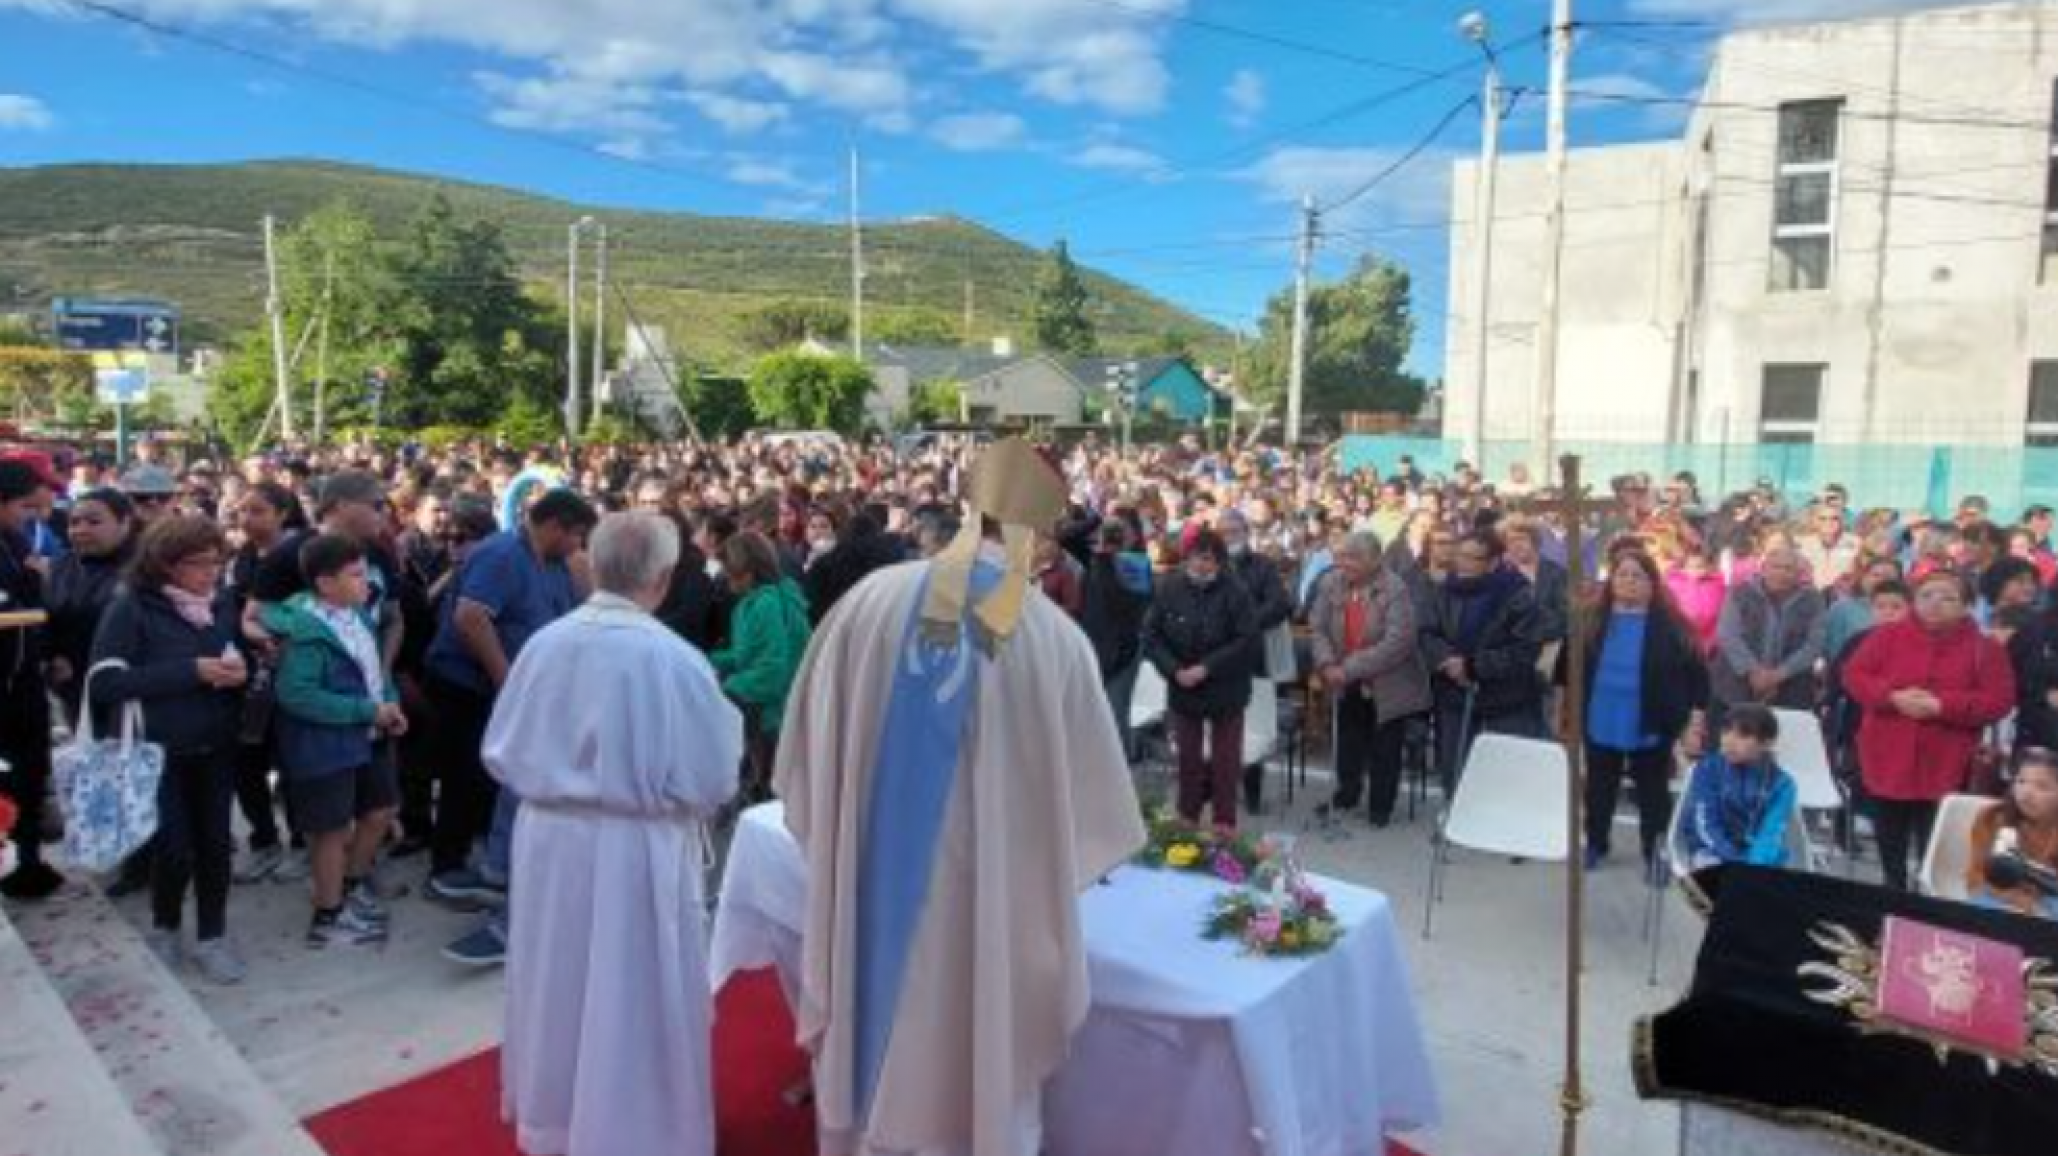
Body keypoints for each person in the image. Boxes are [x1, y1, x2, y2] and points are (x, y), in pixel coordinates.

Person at [775, 440, 1144, 1156]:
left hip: (870, 891)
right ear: (1034, 534)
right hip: (986, 914)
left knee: (869, 1049)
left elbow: (803, 752)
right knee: (979, 1053)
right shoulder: (1054, 639)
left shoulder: (866, 604)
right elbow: (1093, 810)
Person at [487, 511, 743, 1156]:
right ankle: (638, 1128)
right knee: (632, 986)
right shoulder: (673, 659)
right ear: (662, 577)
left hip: (549, 839)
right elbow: (712, 776)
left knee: (561, 981)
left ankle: (561, 1122)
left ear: (593, 566)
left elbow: (502, 746)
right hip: (634, 847)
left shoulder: (545, 644)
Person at [89, 516, 250, 981]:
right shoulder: (132, 607)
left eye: (217, 563)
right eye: (198, 564)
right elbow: (105, 682)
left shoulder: (221, 602)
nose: (210, 574)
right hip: (156, 751)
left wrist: (242, 671)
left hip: (216, 744)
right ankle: (165, 927)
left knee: (216, 845)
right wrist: (191, 671)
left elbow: (231, 654)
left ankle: (212, 935)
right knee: (174, 849)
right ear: (163, 565)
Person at [421, 489, 596, 908]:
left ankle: (482, 857)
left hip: (511, 684)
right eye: (576, 536)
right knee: (466, 773)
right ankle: (446, 868)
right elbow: (471, 617)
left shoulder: (553, 563)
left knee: (491, 775)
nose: (579, 546)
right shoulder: (501, 554)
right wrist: (507, 680)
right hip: (466, 681)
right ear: (553, 526)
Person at [265, 534, 409, 948]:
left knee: (380, 810)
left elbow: (372, 668)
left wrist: (389, 703)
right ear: (325, 584)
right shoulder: (307, 631)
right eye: (356, 574)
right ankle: (327, 916)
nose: (367, 582)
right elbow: (297, 695)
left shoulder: (357, 613)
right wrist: (366, 711)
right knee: (330, 830)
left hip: (369, 735)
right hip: (324, 746)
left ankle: (350, 885)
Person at [1844, 569, 2016, 891]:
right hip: (1887, 753)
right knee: (1889, 829)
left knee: (1936, 838)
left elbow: (1999, 700)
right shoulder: (1886, 636)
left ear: (1967, 605)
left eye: (1948, 597)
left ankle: (1929, 895)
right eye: (1926, 596)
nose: (1935, 603)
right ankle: (1892, 889)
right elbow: (1854, 675)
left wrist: (1942, 705)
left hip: (1948, 759)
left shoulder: (1985, 648)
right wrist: (1891, 697)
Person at [1576, 550, 1710, 869]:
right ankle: (1596, 844)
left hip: (1652, 719)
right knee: (1598, 787)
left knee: (1653, 792)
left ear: (1653, 583)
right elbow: (1566, 670)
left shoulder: (1675, 627)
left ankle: (1654, 851)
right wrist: (1563, 713)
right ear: (1611, 581)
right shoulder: (1589, 621)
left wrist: (1694, 725)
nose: (1629, 581)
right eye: (1622, 575)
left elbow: (1698, 681)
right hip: (1601, 716)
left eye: (1638, 576)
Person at [1307, 531, 1430, 828]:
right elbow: (1317, 627)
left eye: (1355, 558)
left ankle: (1380, 806)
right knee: (1348, 740)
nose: (1345, 564)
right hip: (1342, 676)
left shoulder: (1394, 588)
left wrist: (1348, 669)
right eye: (1343, 557)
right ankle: (1347, 793)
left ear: (1376, 559)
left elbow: (1398, 641)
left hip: (1387, 681)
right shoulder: (1330, 582)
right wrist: (1325, 662)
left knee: (1385, 746)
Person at [1142, 529, 1259, 830]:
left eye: (1207, 558)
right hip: (1183, 687)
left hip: (1226, 688)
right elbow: (1151, 636)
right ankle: (1187, 819)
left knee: (1225, 762)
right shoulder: (1170, 586)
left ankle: (1224, 823)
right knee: (1188, 760)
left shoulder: (1236, 591)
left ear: (1219, 561)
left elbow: (1246, 640)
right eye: (1195, 557)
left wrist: (1206, 668)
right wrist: (1173, 670)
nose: (1200, 564)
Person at [1419, 529, 1546, 794]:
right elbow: (1427, 632)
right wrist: (1448, 660)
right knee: (1455, 767)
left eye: (1472, 558)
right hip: (1453, 693)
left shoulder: (1517, 595)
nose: (1462, 563)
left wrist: (1472, 666)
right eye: (1460, 556)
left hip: (1505, 701)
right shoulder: (1444, 591)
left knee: (1499, 777)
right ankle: (1454, 815)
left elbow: (1524, 650)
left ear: (1493, 563)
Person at [708, 530, 811, 801]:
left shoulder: (766, 604)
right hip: (768, 711)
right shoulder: (764, 599)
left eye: (733, 575)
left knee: (765, 795)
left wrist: (728, 686)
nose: (728, 582)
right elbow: (748, 652)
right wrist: (711, 660)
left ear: (750, 572)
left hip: (771, 717)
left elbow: (773, 670)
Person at [0, 458, 60, 900]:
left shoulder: (16, 539)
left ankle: (29, 860)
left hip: (25, 679)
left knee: (30, 770)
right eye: (23, 505)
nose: (28, 516)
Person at [45, 488, 138, 726]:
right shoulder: (60, 566)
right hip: (73, 692)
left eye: (94, 522)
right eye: (74, 522)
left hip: (130, 695)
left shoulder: (145, 568)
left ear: (125, 523)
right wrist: (53, 655)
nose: (81, 529)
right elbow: (47, 617)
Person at [1220, 509, 1293, 814]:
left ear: (1246, 531)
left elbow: (1280, 604)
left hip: (1253, 661)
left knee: (1254, 732)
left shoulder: (1262, 566)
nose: (1228, 536)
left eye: (1234, 530)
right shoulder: (1210, 564)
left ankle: (1251, 795)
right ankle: (1220, 790)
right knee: (1220, 730)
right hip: (1216, 663)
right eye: (1223, 531)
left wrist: (1244, 624)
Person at [1709, 544, 1825, 729]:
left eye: (1788, 568)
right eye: (1775, 566)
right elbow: (1728, 634)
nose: (1781, 573)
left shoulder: (1813, 600)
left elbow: (1814, 644)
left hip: (1791, 688)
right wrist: (1753, 671)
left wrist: (1778, 675)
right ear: (1763, 569)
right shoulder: (1740, 592)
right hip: (1735, 686)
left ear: (1798, 573)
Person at [1678, 704, 1799, 870]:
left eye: (1743, 735)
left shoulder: (1783, 785)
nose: (1729, 741)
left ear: (1766, 743)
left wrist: (1752, 865)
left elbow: (1770, 834)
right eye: (1726, 731)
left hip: (1755, 856)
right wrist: (1734, 859)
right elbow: (1706, 825)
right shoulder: (1708, 769)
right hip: (1710, 850)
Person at [1080, 519, 1153, 761]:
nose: (1112, 539)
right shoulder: (1094, 563)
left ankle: (1121, 767)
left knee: (1115, 711)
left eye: (1118, 534)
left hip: (1123, 651)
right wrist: (1097, 522)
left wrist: (1107, 559)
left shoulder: (1137, 565)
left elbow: (1126, 603)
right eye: (1110, 534)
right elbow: (1066, 537)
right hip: (1094, 648)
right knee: (1095, 714)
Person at [1964, 749, 2058, 919]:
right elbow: (1976, 876)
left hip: (2047, 897)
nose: (2027, 793)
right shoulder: (1991, 817)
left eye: (2042, 786)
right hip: (1994, 893)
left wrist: (2037, 905)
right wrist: (2017, 900)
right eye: (2021, 781)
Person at [1665, 539, 1728, 654]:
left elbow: (1723, 617)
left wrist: (1712, 642)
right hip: (1677, 643)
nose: (1695, 572)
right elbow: (1666, 614)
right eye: (1691, 567)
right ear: (1683, 567)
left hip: (1710, 647)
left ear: (1709, 566)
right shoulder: (1672, 583)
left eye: (1700, 566)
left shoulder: (1718, 585)